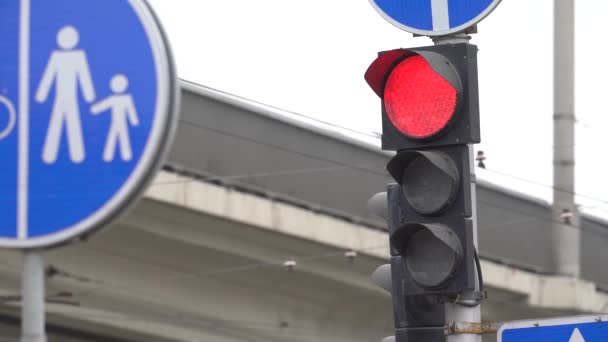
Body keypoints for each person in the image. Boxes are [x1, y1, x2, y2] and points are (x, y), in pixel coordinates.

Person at [35, 26, 95, 164]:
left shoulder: (78, 56)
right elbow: (49, 75)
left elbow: (83, 75)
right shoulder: (57, 57)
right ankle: (52, 155)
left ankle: (75, 155)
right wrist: (42, 94)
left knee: (69, 122)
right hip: (61, 97)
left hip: (70, 98)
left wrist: (88, 94)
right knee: (60, 121)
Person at [91, 74, 139, 162]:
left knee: (119, 137)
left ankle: (119, 156)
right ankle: (115, 155)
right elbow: (103, 105)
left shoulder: (126, 99)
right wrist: (95, 109)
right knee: (118, 137)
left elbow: (131, 111)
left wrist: (134, 121)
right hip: (116, 122)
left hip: (119, 123)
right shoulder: (116, 99)